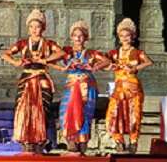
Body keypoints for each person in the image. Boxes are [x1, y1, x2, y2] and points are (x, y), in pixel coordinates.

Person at [2, 9, 65, 154]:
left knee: (42, 111)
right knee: (23, 110)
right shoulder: (23, 43)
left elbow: (62, 53)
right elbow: (5, 54)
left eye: (37, 26)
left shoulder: (48, 43)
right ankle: (25, 141)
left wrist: (45, 60)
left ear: (42, 28)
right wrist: (15, 61)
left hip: (42, 79)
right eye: (31, 26)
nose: (34, 30)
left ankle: (40, 142)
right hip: (26, 79)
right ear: (28, 28)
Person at [52, 20, 109, 155]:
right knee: (66, 113)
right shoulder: (66, 51)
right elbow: (48, 59)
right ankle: (71, 143)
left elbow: (107, 61)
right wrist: (62, 67)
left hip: (87, 87)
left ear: (85, 38)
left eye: (81, 35)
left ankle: (83, 145)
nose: (78, 38)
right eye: (75, 35)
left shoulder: (91, 53)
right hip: (71, 86)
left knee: (84, 115)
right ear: (71, 37)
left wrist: (93, 67)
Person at [105, 18, 153, 154]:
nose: (125, 38)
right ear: (118, 38)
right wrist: (110, 66)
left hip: (133, 87)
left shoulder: (137, 52)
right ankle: (119, 141)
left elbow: (149, 62)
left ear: (132, 37)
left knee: (134, 115)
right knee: (113, 115)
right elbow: (104, 63)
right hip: (119, 87)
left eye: (127, 35)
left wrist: (135, 68)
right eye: (122, 36)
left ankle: (133, 142)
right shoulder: (114, 53)